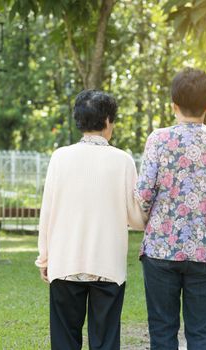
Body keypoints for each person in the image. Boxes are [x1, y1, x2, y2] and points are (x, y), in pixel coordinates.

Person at [134, 67, 206, 350]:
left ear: (174, 105)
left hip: (161, 249)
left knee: (162, 332)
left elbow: (143, 194)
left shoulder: (158, 139)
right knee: (203, 334)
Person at [35, 89, 146, 350]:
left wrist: (44, 258)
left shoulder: (59, 157)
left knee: (64, 340)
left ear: (79, 121)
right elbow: (136, 217)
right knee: (105, 341)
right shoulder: (123, 161)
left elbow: (47, 212)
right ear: (108, 121)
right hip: (107, 266)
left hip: (65, 262)